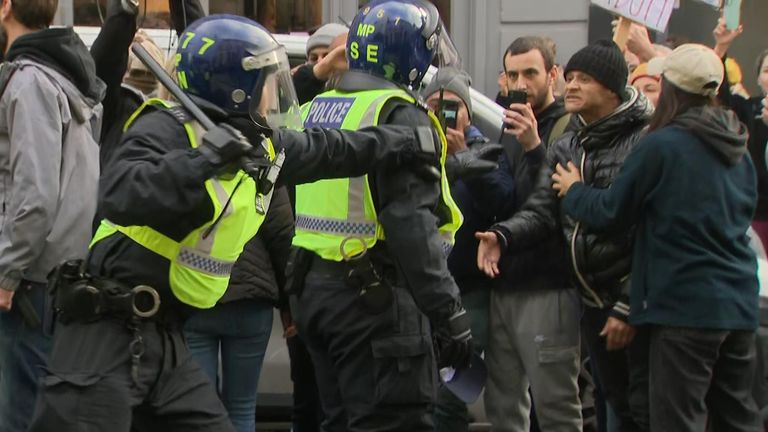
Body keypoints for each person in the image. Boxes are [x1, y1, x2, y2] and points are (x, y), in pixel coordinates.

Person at [27, 14, 443, 432]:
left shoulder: (253, 142)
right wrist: (206, 159)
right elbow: (121, 192)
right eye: (267, 81)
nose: (273, 95)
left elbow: (329, 149)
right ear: (237, 88)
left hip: (164, 339)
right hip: (101, 338)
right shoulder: (166, 127)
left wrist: (406, 140)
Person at [552, 43, 762, 432]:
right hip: (739, 306)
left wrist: (574, 188)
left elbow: (612, 212)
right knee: (737, 420)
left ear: (670, 89)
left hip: (683, 308)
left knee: (676, 420)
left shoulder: (661, 145)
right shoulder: (739, 148)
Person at [290, 2, 473, 431]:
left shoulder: (322, 105)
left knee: (337, 420)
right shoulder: (399, 112)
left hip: (317, 292)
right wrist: (450, 315)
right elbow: (412, 227)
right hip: (374, 300)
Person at [476, 40, 653, 432]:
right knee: (512, 406)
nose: (572, 86)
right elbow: (539, 207)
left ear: (611, 87)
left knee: (610, 409)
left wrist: (541, 154)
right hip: (567, 291)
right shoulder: (570, 139)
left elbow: (635, 225)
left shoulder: (641, 139)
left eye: (582, 79)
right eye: (512, 74)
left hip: (592, 293)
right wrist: (501, 236)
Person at [0, 0, 105, 431]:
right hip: (56, 276)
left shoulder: (29, 83)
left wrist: (6, 272)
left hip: (28, 282)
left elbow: (35, 195)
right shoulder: (66, 79)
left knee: (22, 414)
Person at [484, 35, 582, 432]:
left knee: (555, 406)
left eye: (531, 73)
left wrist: (534, 147)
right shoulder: (507, 123)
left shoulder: (568, 126)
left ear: (552, 75)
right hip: (503, 283)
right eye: (513, 74)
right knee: (503, 406)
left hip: (547, 286)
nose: (522, 82)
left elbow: (551, 204)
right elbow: (506, 197)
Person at [421, 66, 502, 432]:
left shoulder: (485, 148)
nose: (444, 114)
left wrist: (463, 158)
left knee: (452, 392)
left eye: (453, 106)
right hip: (422, 286)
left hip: (466, 290)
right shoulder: (416, 145)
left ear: (468, 111)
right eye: (435, 106)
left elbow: (501, 200)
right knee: (421, 391)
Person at [712, 19, 768, 254]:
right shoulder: (749, 109)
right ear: (757, 79)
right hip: (757, 214)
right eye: (766, 70)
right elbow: (720, 98)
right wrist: (721, 49)